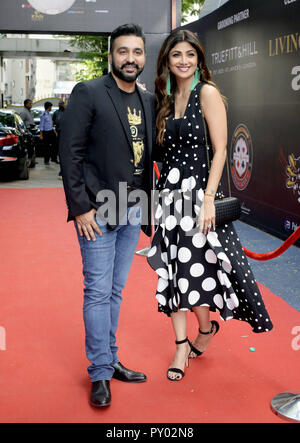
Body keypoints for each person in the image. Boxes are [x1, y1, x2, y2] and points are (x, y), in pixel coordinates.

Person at [147, 29, 273, 382]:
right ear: (167, 62)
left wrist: (207, 200)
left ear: (199, 59)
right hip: (170, 200)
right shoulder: (167, 98)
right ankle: (182, 344)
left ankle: (203, 331)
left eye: (190, 54)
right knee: (174, 272)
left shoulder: (208, 92)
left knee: (198, 271)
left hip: (200, 198)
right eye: (176, 55)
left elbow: (220, 151)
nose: (183, 61)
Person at [59, 24, 156, 407]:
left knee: (115, 290)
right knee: (98, 292)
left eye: (137, 52)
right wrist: (80, 206)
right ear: (111, 55)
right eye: (123, 51)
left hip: (132, 209)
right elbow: (71, 154)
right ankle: (100, 372)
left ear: (144, 57)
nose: (130, 58)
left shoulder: (147, 101)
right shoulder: (90, 93)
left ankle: (111, 359)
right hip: (97, 211)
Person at [52, 100, 66, 178]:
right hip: (58, 133)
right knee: (59, 149)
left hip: (66, 133)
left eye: (62, 104)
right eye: (60, 104)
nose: (61, 105)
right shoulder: (56, 113)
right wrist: (54, 131)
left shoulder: (67, 112)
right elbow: (53, 122)